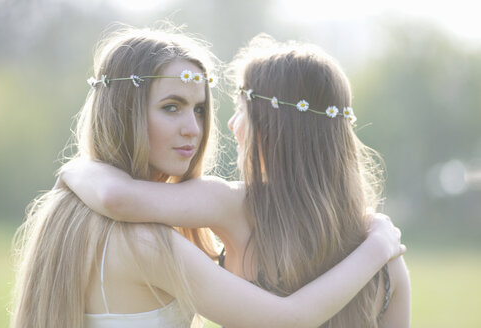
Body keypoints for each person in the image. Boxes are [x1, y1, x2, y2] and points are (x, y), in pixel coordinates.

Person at [59, 33, 410, 327]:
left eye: (241, 110)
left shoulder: (233, 206)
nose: (230, 125)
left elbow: (116, 197)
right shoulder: (386, 260)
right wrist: (378, 248)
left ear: (273, 129)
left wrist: (72, 169)